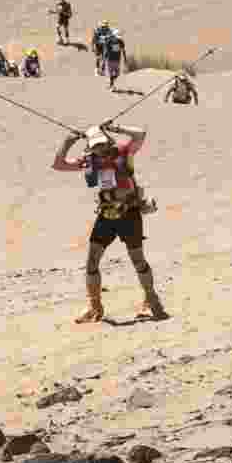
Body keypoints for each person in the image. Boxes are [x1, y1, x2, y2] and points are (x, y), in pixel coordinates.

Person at [52, 123, 167, 323]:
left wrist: (115, 127)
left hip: (129, 214)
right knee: (91, 263)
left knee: (138, 261)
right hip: (106, 215)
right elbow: (59, 165)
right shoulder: (90, 161)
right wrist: (68, 142)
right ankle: (94, 308)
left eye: (102, 143)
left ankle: (151, 301)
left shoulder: (123, 153)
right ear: (91, 146)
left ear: (108, 141)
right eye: (96, 145)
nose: (100, 148)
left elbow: (140, 134)